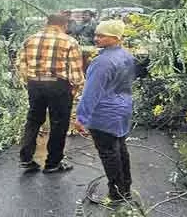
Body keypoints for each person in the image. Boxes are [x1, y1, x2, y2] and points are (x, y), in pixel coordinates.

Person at [74, 20, 137, 203]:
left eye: (101, 36)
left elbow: (91, 93)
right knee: (120, 149)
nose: (96, 38)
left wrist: (81, 118)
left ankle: (116, 194)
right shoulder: (127, 56)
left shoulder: (102, 62)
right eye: (96, 34)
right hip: (123, 109)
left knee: (109, 153)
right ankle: (125, 188)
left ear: (115, 38)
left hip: (105, 113)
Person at [16, 14, 85, 173]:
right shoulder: (69, 41)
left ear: (46, 23)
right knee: (59, 123)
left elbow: (21, 65)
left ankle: (26, 159)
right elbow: (75, 72)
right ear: (65, 25)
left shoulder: (30, 39)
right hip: (58, 85)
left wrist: (30, 82)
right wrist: (76, 88)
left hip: (35, 84)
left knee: (33, 120)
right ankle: (53, 163)